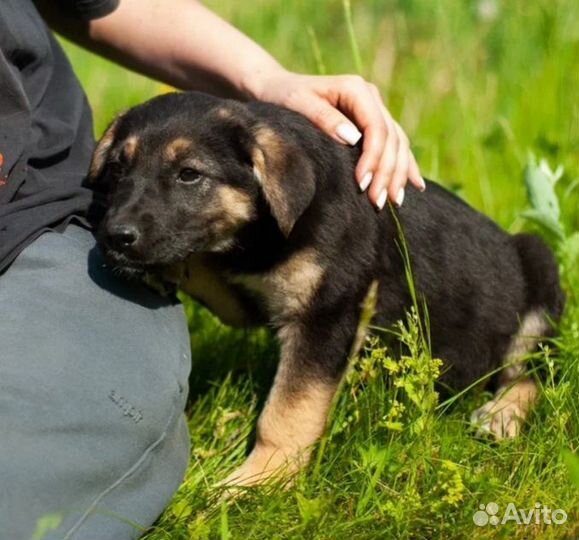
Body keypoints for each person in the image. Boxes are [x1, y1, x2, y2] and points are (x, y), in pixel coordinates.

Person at [0, 1, 423, 538]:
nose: (125, 213)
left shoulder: (311, 227)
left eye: (187, 175)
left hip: (22, 225)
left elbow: (319, 319)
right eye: (122, 167)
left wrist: (266, 77)